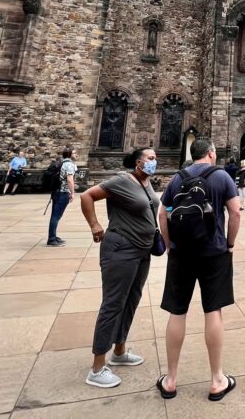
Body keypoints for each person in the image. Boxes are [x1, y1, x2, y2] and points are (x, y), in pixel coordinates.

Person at [157, 138, 240, 402]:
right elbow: (236, 213)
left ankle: (170, 380)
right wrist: (229, 244)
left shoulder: (177, 177)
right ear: (212, 153)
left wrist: (170, 245)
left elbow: (162, 213)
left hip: (181, 253)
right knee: (213, 310)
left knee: (177, 311)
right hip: (214, 251)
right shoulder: (221, 177)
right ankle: (217, 379)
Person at [80, 147, 159, 388]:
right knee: (114, 303)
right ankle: (96, 367)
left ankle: (120, 351)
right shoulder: (122, 180)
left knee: (131, 299)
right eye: (151, 158)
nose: (155, 162)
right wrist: (94, 225)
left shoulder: (147, 183)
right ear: (138, 162)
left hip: (142, 250)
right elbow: (87, 195)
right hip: (121, 248)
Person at [47, 148, 77, 246]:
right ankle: (51, 239)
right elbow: (69, 180)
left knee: (54, 216)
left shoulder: (60, 163)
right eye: (74, 153)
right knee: (56, 216)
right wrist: (72, 193)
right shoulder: (69, 165)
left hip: (56, 192)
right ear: (69, 154)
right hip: (63, 193)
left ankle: (53, 236)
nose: (76, 154)